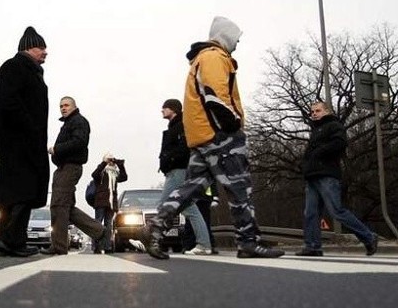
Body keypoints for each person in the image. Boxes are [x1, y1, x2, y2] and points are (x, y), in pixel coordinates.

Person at [140, 16, 285, 260]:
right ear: (226, 36)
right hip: (219, 134)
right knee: (240, 188)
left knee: (191, 189)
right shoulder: (214, 57)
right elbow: (214, 96)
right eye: (236, 37)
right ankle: (248, 242)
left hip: (202, 136)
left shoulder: (203, 58)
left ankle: (156, 225)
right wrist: (233, 127)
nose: (238, 42)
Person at [0, 26, 50, 257]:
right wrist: (30, 128)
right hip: (19, 140)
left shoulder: (32, 72)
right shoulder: (14, 67)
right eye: (41, 47)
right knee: (22, 190)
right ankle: (10, 241)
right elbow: (8, 101)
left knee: (15, 191)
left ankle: (10, 241)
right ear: (28, 48)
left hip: (26, 139)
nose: (45, 52)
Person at [296, 101, 378, 256]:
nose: (314, 113)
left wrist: (319, 152)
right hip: (312, 176)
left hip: (327, 175)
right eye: (312, 111)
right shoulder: (316, 130)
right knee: (311, 213)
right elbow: (310, 154)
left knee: (336, 211)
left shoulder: (334, 125)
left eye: (317, 110)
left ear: (327, 111)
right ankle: (313, 246)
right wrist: (304, 165)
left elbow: (340, 143)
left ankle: (369, 237)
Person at [42, 97, 106, 255]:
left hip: (70, 168)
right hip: (63, 168)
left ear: (74, 107)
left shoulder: (78, 121)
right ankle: (99, 231)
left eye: (66, 105)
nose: (63, 108)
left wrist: (56, 149)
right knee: (67, 207)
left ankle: (58, 246)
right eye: (61, 106)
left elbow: (79, 142)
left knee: (58, 205)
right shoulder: (68, 123)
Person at [158, 98, 213, 255]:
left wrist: (169, 159)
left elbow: (184, 149)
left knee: (165, 206)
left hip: (178, 171)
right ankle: (204, 243)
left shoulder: (182, 125)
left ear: (173, 109)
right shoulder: (174, 126)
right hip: (174, 171)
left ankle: (153, 239)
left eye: (165, 107)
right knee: (188, 207)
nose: (162, 110)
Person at [91, 152, 127, 253]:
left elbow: (124, 177)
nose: (111, 162)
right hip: (101, 201)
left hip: (111, 203)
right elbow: (94, 175)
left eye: (112, 160)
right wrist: (104, 163)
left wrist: (120, 164)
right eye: (109, 159)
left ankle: (107, 246)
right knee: (98, 223)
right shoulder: (102, 172)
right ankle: (96, 246)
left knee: (109, 225)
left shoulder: (115, 173)